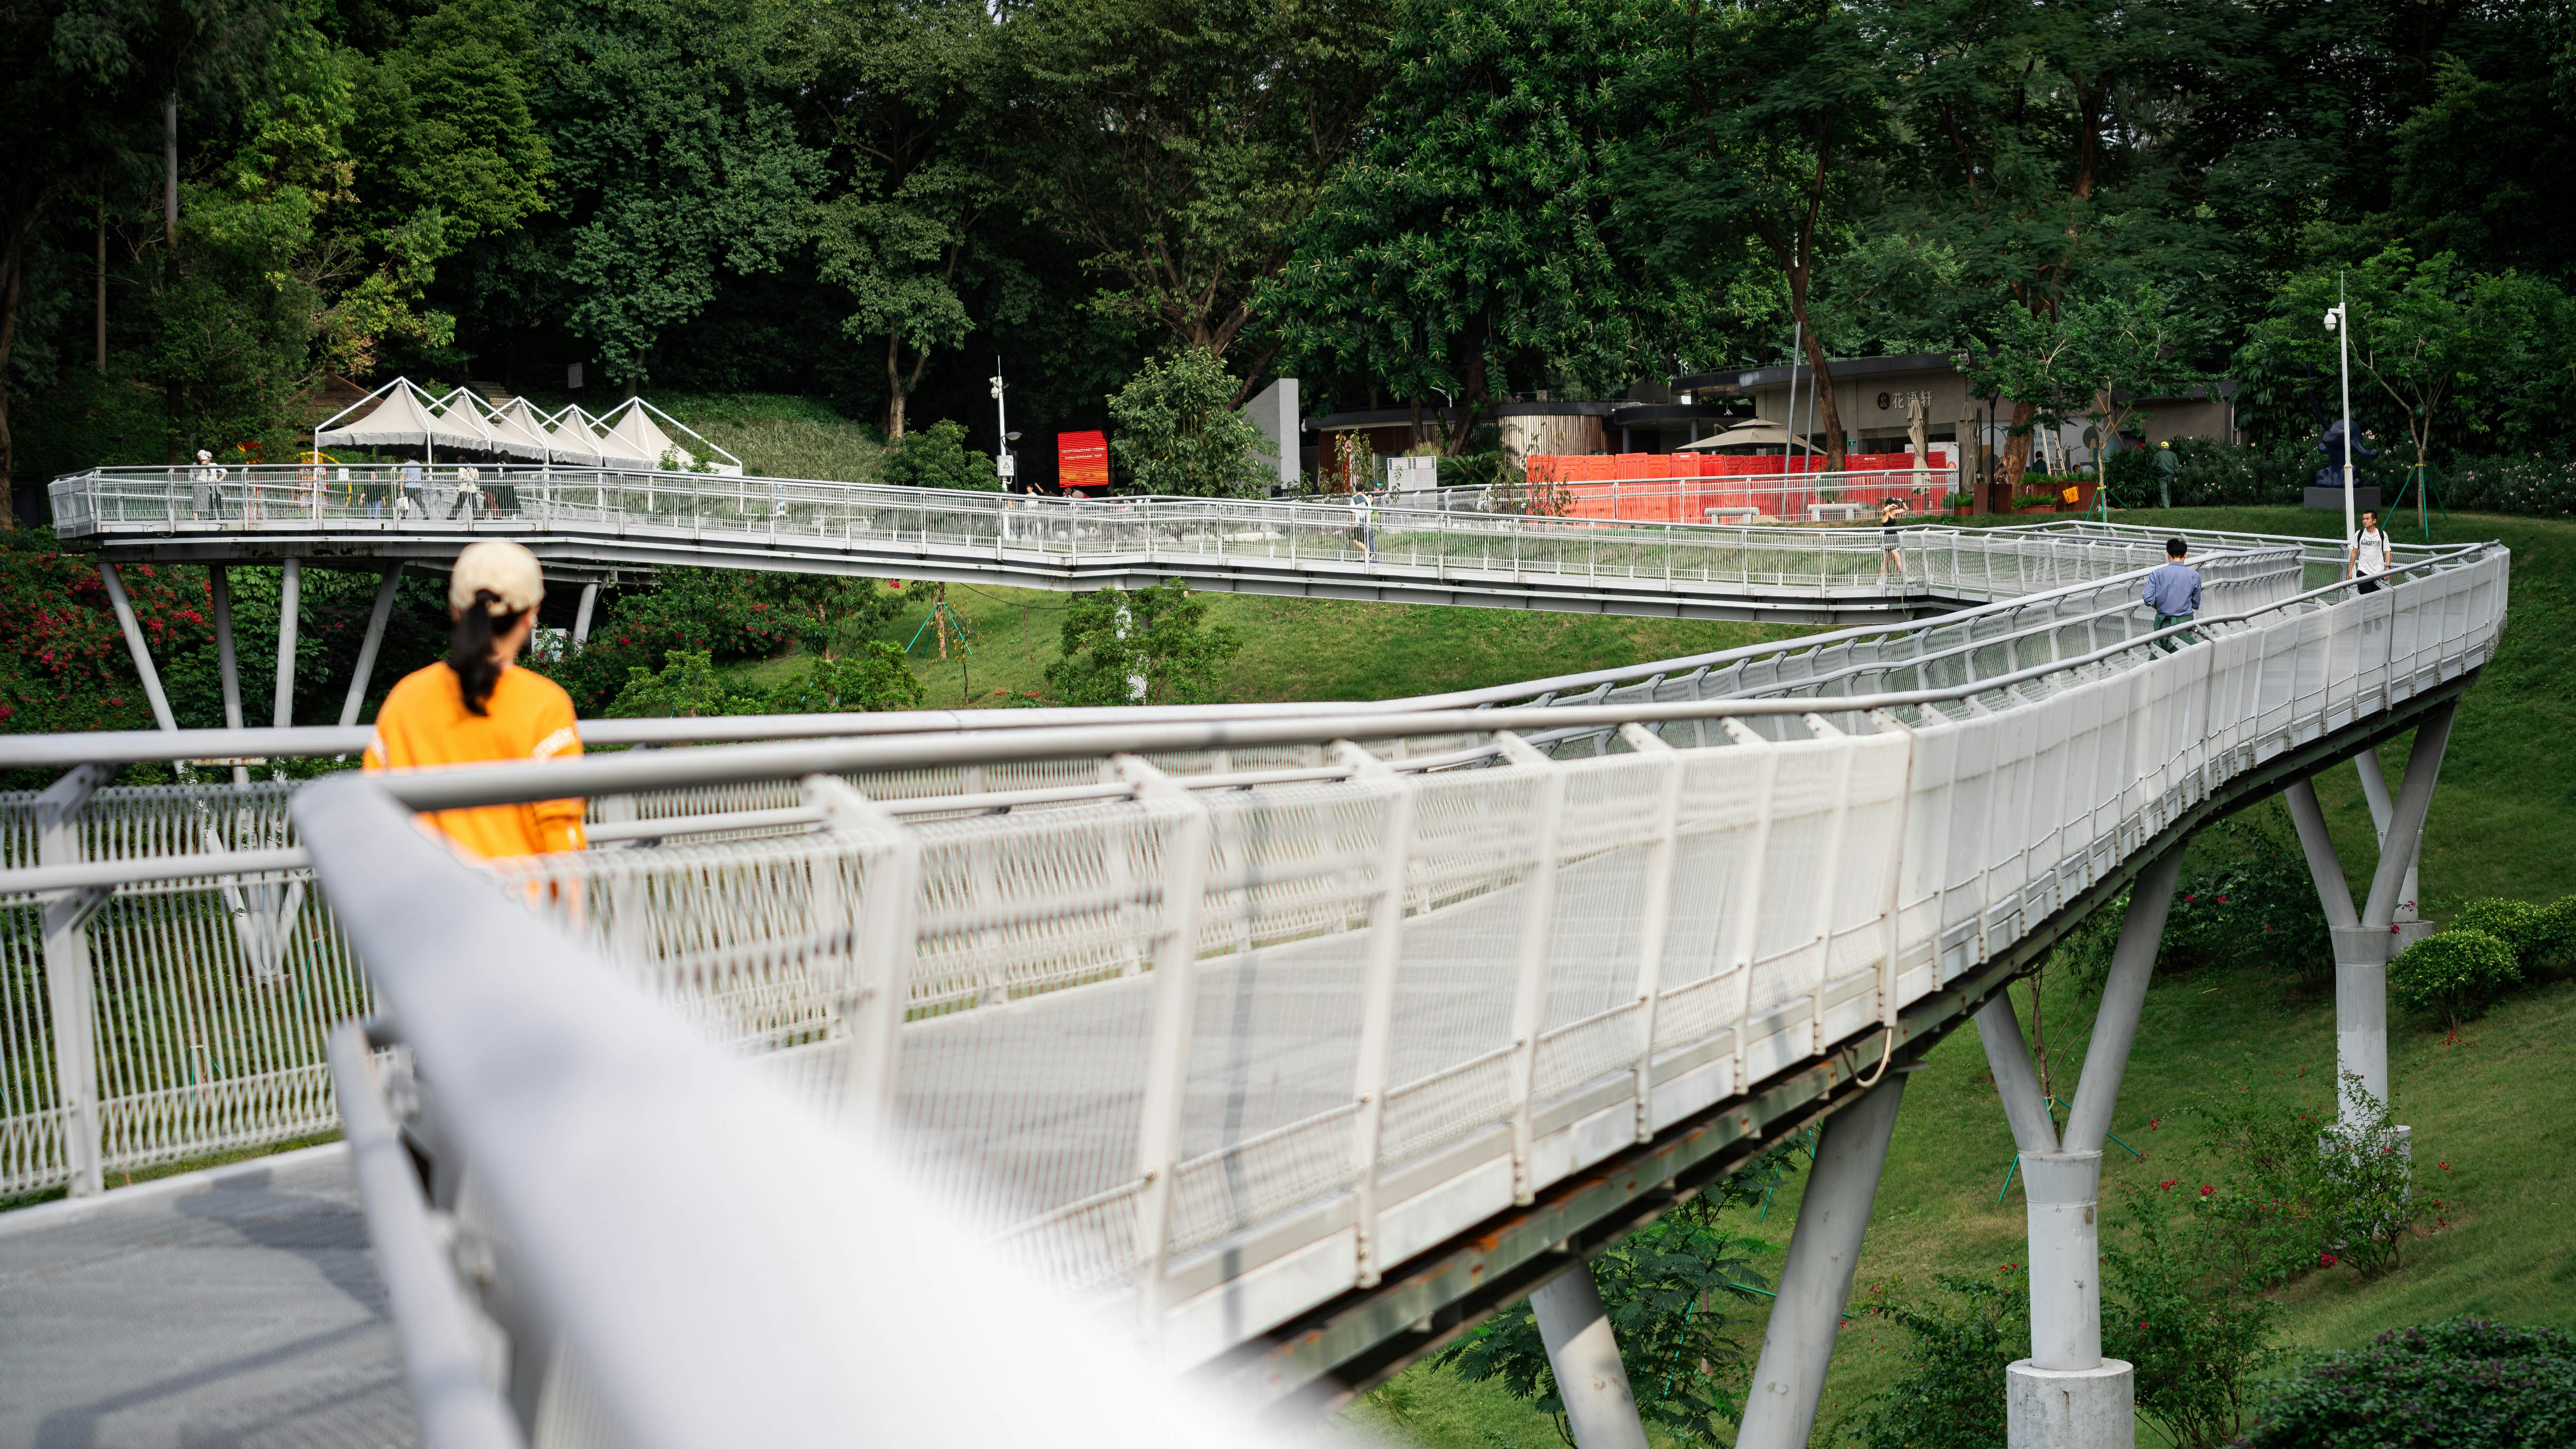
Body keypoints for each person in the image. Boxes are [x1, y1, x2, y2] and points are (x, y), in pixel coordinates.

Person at [364, 541, 586, 860]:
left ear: (455, 610)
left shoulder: (405, 697)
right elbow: (561, 836)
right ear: (531, 616)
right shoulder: (546, 704)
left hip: (422, 900)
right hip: (519, 901)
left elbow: (377, 809)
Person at [2142, 537, 2201, 653]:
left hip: (2164, 622)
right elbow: (2196, 604)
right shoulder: (2194, 576)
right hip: (2186, 624)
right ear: (2185, 555)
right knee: (2187, 656)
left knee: (2161, 657)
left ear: (2168, 554)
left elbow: (2148, 598)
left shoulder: (2157, 574)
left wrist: (2159, 607)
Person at [2348, 509, 2392, 594]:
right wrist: (2350, 570)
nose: (2365, 521)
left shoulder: (2382, 534)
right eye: (2363, 519)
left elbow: (2387, 551)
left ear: (2374, 520)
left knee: (2377, 597)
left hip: (2379, 571)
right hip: (2363, 570)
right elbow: (2354, 552)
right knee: (2365, 597)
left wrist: (2388, 568)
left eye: (2367, 519)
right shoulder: (2359, 534)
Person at [1876, 497, 1908, 579]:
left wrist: (1902, 501)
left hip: (1893, 538)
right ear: (1888, 505)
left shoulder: (1893, 513)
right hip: (1888, 539)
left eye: (1895, 504)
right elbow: (1884, 510)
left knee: (1886, 561)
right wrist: (1890, 506)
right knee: (1898, 558)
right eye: (1893, 504)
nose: (1895, 506)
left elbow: (1905, 509)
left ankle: (1879, 580)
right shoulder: (1884, 514)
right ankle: (1906, 578)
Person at [2153, 440, 2179, 510]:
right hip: (2171, 476)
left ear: (2161, 447)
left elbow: (2153, 465)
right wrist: (2176, 476)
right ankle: (2167, 506)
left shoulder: (2158, 454)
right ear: (2168, 447)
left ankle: (2167, 509)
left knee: (2164, 492)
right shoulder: (2173, 455)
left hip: (2162, 475)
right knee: (2168, 491)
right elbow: (2177, 467)